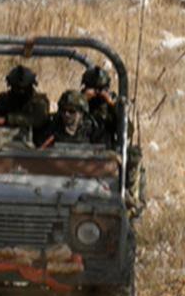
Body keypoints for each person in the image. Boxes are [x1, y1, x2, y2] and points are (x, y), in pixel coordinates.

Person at [82, 65, 144, 211]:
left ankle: (128, 196)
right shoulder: (76, 101)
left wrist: (113, 105)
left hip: (107, 151)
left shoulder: (114, 105)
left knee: (133, 155)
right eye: (94, 89)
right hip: (79, 148)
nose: (97, 94)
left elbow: (127, 131)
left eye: (101, 89)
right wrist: (82, 101)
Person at [0, 64, 50, 139]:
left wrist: (6, 120)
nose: (20, 92)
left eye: (24, 89)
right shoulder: (4, 99)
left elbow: (37, 119)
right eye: (17, 88)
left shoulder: (39, 101)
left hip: (34, 145)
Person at [37, 90, 103, 148]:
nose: (66, 114)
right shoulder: (51, 127)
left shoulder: (92, 128)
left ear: (82, 113)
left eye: (72, 111)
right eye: (63, 110)